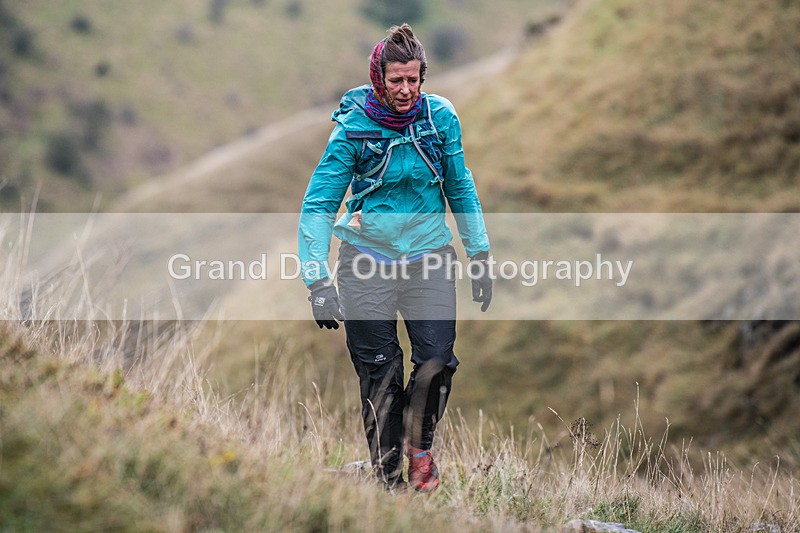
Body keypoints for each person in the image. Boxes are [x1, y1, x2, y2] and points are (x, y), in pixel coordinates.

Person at [298, 23, 492, 492]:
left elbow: (459, 185)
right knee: (382, 378)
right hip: (366, 264)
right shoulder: (352, 130)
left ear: (423, 77)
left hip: (429, 257)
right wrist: (318, 282)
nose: (405, 90)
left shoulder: (440, 118)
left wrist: (479, 252)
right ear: (378, 77)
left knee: (436, 362)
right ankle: (390, 486)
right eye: (396, 80)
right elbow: (320, 203)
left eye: (413, 79)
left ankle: (418, 448)